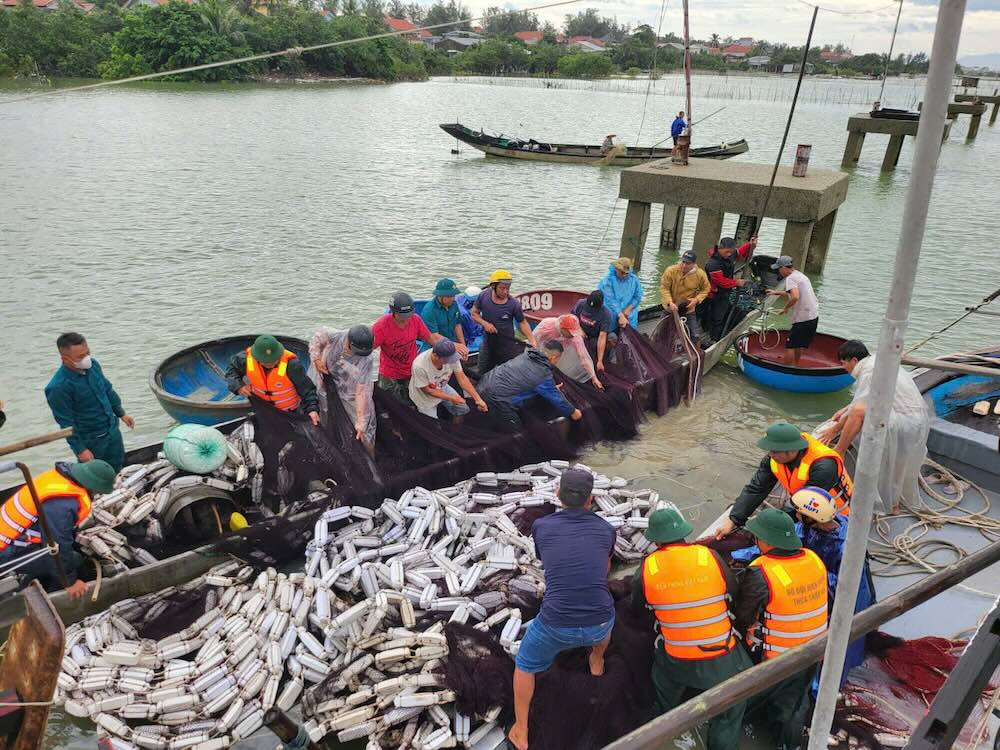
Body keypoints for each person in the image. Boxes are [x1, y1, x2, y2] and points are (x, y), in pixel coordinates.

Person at [508, 468, 615, 750]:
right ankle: (597, 659)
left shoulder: (541, 527)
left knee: (524, 665)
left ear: (557, 495)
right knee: (607, 613)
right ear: (590, 500)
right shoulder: (607, 529)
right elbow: (604, 569)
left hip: (555, 625)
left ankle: (521, 729)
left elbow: (549, 562)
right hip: (599, 624)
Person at [632, 507, 752, 750]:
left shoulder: (647, 568)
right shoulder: (707, 555)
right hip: (723, 657)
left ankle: (671, 722)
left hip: (677, 659)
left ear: (655, 540)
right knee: (729, 713)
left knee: (662, 680)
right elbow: (732, 590)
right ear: (684, 534)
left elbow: (638, 607)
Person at [734, 508, 829, 750]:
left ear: (765, 541)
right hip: (816, 648)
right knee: (798, 700)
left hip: (779, 659)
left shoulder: (761, 571)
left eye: (757, 537)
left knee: (782, 706)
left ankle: (786, 742)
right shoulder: (813, 559)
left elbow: (743, 616)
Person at [817, 339, 930, 511]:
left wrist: (834, 430)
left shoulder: (869, 371)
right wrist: (845, 409)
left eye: (843, 363)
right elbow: (873, 395)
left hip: (903, 421)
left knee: (857, 414)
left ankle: (839, 451)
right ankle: (894, 504)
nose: (844, 368)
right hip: (918, 421)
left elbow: (860, 408)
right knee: (899, 466)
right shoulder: (879, 361)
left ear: (854, 360)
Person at [714, 422, 854, 539]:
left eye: (775, 451)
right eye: (769, 450)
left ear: (792, 450)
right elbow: (756, 489)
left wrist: (763, 529)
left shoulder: (824, 466)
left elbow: (802, 510)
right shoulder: (774, 459)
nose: (770, 454)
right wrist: (733, 520)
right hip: (802, 510)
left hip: (835, 519)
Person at [791, 486, 875, 680]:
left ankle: (825, 683)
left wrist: (808, 573)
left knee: (840, 644)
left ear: (813, 518)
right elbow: (792, 539)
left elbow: (843, 586)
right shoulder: (815, 526)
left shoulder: (845, 547)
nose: (796, 515)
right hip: (829, 587)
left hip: (845, 599)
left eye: (800, 512)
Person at [0, 459, 116, 598]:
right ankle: (48, 597)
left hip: (14, 539)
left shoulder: (58, 478)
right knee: (75, 560)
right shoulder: (63, 504)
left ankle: (31, 582)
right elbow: (56, 544)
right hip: (6, 553)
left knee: (66, 557)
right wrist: (69, 581)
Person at [45, 332, 135, 472]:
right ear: (65, 359)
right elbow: (66, 423)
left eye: (87, 353)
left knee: (119, 468)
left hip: (112, 431)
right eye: (80, 357)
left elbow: (107, 389)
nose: (86, 358)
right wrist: (80, 450)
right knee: (95, 477)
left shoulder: (93, 366)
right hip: (92, 441)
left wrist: (121, 414)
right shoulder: (58, 387)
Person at [477, 341, 583, 433]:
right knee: (516, 433)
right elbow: (557, 399)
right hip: (496, 400)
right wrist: (572, 411)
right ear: (553, 357)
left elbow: (526, 381)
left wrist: (550, 388)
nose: (556, 363)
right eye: (557, 360)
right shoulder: (542, 373)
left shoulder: (527, 355)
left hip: (481, 387)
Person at [225, 335, 320, 425]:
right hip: (263, 408)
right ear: (257, 357)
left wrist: (312, 409)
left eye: (273, 360)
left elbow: (307, 389)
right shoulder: (245, 358)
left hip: (290, 412)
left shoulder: (292, 365)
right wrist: (238, 386)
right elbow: (231, 370)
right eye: (265, 361)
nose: (270, 364)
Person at [309, 325, 376, 450]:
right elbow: (316, 340)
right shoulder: (335, 336)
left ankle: (369, 456)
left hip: (350, 388)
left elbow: (362, 390)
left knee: (364, 428)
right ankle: (328, 445)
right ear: (349, 343)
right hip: (327, 380)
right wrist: (316, 359)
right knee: (325, 413)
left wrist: (361, 421)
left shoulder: (367, 359)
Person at [372, 292, 444, 404]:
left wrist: (443, 352)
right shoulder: (381, 327)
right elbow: (368, 349)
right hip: (389, 373)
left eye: (409, 315)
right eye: (402, 316)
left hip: (411, 370)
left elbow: (429, 338)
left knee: (412, 402)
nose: (406, 319)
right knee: (389, 404)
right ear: (393, 312)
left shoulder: (415, 320)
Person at [471, 270, 536, 374]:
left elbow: (522, 322)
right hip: (488, 342)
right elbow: (474, 313)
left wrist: (532, 340)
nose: (505, 291)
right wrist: (485, 323)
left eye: (508, 288)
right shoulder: (483, 296)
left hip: (507, 344)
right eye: (502, 288)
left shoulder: (514, 304)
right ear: (493, 286)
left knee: (508, 372)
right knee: (482, 371)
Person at [409, 339, 487, 422]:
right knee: (432, 424)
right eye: (448, 359)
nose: (452, 361)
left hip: (442, 385)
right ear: (436, 356)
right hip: (424, 397)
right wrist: (452, 398)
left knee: (462, 409)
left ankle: (454, 430)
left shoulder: (452, 356)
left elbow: (462, 378)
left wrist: (478, 399)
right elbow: (428, 390)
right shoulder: (419, 366)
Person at [766, 256, 819, 366]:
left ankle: (785, 370)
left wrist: (785, 309)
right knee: (797, 344)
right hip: (813, 316)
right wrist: (776, 292)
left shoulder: (791, 278)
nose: (779, 271)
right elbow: (795, 292)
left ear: (784, 267)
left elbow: (795, 297)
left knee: (790, 345)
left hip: (802, 318)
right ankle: (796, 365)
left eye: (779, 269)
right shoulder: (800, 275)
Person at [703, 236, 757, 341]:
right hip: (714, 293)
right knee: (715, 317)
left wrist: (750, 245)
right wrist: (736, 282)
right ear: (720, 248)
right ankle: (714, 338)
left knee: (720, 314)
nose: (729, 254)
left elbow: (739, 252)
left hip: (725, 292)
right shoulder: (712, 264)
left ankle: (714, 332)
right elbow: (721, 281)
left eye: (730, 252)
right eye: (727, 252)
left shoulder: (730, 254)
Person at [532, 314, 603, 390]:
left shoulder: (576, 337)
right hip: (544, 350)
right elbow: (533, 341)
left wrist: (594, 378)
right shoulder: (546, 325)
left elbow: (584, 357)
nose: (572, 335)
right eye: (570, 332)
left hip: (560, 353)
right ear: (562, 328)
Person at [660, 249, 710, 343]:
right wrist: (670, 302)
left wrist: (696, 300)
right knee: (661, 333)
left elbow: (706, 289)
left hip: (688, 309)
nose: (684, 265)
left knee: (695, 336)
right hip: (670, 308)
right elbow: (664, 288)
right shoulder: (670, 270)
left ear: (693, 264)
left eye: (688, 263)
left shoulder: (700, 274)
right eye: (683, 262)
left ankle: (695, 353)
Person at [420, 278, 471, 358]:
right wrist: (455, 345)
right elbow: (434, 336)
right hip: (434, 348)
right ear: (440, 296)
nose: (453, 299)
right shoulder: (429, 310)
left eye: (453, 296)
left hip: (452, 344)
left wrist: (463, 345)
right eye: (449, 296)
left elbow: (457, 325)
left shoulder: (453, 304)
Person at [571, 290, 614, 374]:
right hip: (580, 332)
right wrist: (579, 329)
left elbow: (602, 336)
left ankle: (603, 361)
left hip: (595, 336)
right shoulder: (581, 303)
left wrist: (600, 361)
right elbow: (573, 317)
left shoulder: (606, 314)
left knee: (612, 338)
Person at [598, 257, 644, 331]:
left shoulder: (634, 280)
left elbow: (638, 296)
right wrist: (620, 315)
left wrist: (628, 309)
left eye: (626, 273)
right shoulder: (607, 281)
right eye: (622, 272)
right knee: (610, 331)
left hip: (629, 312)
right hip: (612, 312)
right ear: (616, 269)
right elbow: (610, 300)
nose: (624, 275)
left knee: (630, 332)